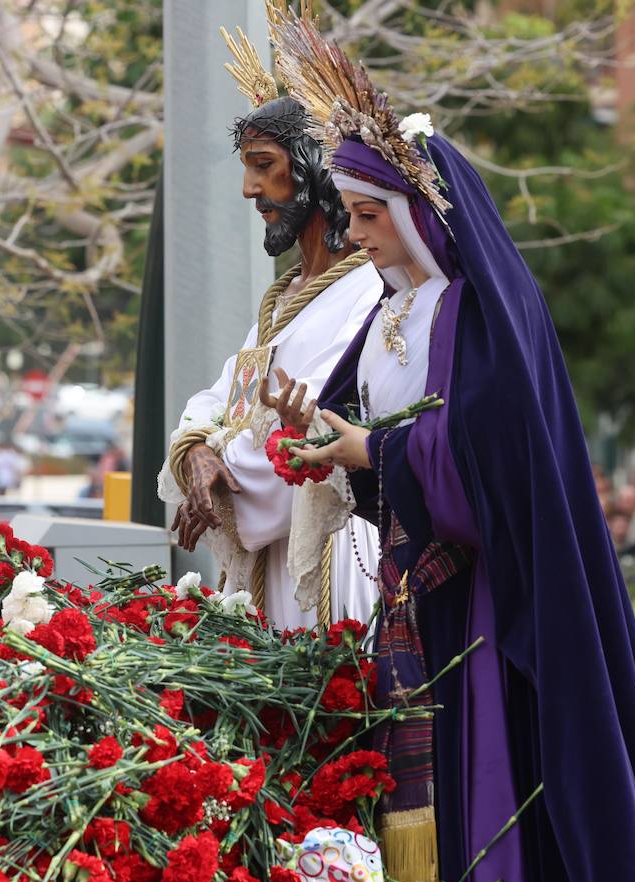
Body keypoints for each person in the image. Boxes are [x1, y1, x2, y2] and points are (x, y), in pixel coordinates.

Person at [264, 6, 635, 882]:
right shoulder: (387, 315)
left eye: (367, 217)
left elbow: (492, 456)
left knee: (486, 798)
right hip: (409, 591)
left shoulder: (474, 312)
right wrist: (325, 436)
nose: (355, 237)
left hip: (480, 599)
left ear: (418, 217)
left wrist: (373, 449)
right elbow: (376, 437)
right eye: (349, 216)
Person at [156, 32, 382, 628]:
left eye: (265, 167)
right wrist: (196, 450)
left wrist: (221, 463)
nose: (249, 189)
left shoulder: (366, 294)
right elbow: (222, 396)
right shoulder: (284, 299)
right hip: (268, 568)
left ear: (311, 169)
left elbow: (306, 426)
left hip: (327, 555)